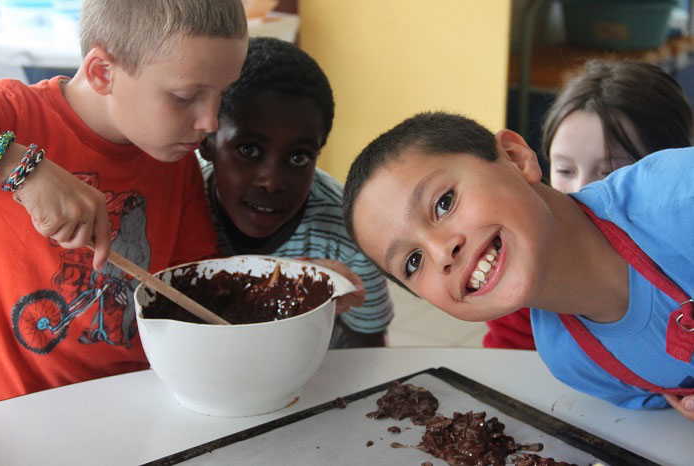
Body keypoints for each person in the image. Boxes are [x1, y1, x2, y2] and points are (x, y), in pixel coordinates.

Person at [341, 111, 694, 421]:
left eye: (444, 203)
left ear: (515, 157)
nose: (440, 252)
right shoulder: (574, 362)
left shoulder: (679, 198)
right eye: (413, 262)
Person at [0, 0, 249, 402]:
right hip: (23, 418)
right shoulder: (15, 114)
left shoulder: (171, 154)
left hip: (139, 407)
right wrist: (17, 165)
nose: (211, 122)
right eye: (185, 96)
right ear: (102, 72)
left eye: (222, 94)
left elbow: (188, 284)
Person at [484, 59, 693, 350]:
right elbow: (508, 366)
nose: (582, 190)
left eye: (609, 173)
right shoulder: (528, 272)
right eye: (565, 171)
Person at [199, 37, 394, 348]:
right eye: (248, 150)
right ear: (206, 141)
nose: (272, 182)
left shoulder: (348, 230)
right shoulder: (180, 199)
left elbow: (367, 340)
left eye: (298, 157)